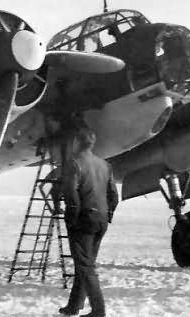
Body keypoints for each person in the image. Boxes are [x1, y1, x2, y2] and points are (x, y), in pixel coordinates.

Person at [58, 122, 119, 317]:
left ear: (76, 141)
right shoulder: (105, 165)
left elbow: (71, 194)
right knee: (85, 264)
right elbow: (113, 195)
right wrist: (107, 215)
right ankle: (74, 306)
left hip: (83, 220)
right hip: (101, 220)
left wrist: (72, 218)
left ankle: (98, 310)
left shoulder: (74, 164)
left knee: (86, 267)